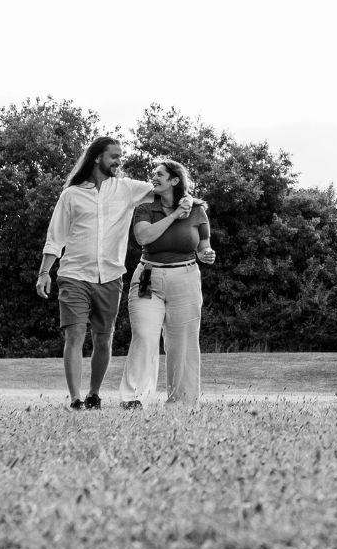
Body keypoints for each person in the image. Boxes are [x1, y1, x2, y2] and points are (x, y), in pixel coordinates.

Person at [35, 136, 183, 410]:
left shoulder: (127, 189)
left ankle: (93, 394)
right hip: (74, 274)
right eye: (114, 156)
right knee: (75, 334)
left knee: (103, 339)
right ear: (96, 158)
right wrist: (45, 272)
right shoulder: (71, 194)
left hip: (111, 277)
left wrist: (192, 204)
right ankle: (76, 398)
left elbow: (168, 191)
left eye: (120, 156)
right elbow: (55, 237)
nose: (119, 161)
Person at [118, 159, 216, 409]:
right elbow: (144, 236)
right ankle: (134, 397)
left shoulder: (197, 210)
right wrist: (173, 216)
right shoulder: (145, 207)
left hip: (185, 277)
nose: (154, 177)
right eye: (153, 174)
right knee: (144, 335)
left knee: (182, 341)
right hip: (148, 276)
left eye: (160, 174)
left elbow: (204, 246)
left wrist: (207, 254)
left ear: (175, 180)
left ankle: (181, 401)